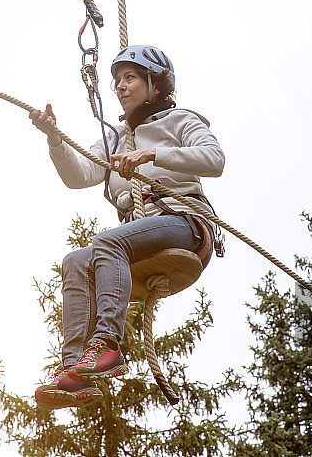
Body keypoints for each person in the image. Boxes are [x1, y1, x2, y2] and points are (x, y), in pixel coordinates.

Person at [28, 44, 225, 409]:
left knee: (107, 243)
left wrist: (152, 154)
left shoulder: (180, 121)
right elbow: (79, 175)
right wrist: (55, 139)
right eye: (117, 80)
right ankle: (76, 371)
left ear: (156, 83)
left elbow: (214, 159)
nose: (119, 86)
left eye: (129, 78)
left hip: (184, 223)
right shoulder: (116, 138)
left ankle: (106, 345)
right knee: (76, 260)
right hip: (141, 234)